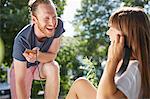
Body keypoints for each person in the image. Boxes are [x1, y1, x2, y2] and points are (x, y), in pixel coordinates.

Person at [66, 7, 150, 99]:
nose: (108, 33)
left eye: (111, 28)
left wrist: (112, 61)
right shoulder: (131, 65)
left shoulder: (134, 69)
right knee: (80, 84)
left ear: (124, 35)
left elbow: (104, 97)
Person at [10, 0, 65, 99]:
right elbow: (20, 80)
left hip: (40, 65)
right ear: (34, 19)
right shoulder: (21, 40)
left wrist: (38, 56)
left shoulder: (58, 26)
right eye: (46, 18)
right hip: (22, 69)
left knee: (53, 67)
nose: (52, 23)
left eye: (54, 17)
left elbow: (52, 55)